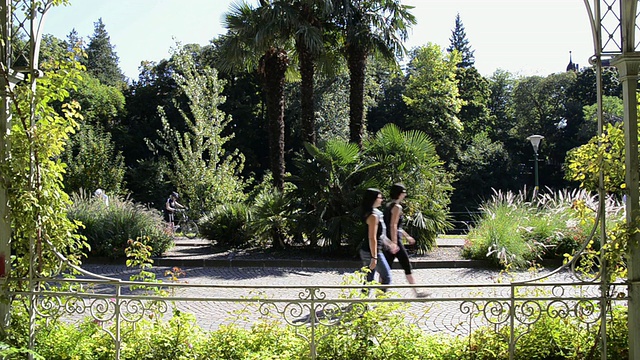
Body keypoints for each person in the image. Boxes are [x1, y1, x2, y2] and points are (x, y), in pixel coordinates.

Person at [383, 183, 428, 298]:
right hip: (394, 241)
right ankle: (416, 291)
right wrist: (394, 243)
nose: (405, 194)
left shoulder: (388, 206)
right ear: (399, 194)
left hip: (388, 240)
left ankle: (380, 293)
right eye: (403, 192)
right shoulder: (397, 207)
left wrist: (407, 236)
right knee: (406, 265)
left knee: (386, 267)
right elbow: (393, 225)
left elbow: (396, 227)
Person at [358, 188, 393, 294]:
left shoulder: (375, 213)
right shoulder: (373, 216)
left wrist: (389, 243)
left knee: (369, 279)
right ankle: (380, 304)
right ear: (373, 199)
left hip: (370, 250)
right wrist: (374, 257)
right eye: (379, 197)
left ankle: (364, 304)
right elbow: (372, 237)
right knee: (386, 277)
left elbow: (380, 235)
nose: (382, 199)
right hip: (371, 251)